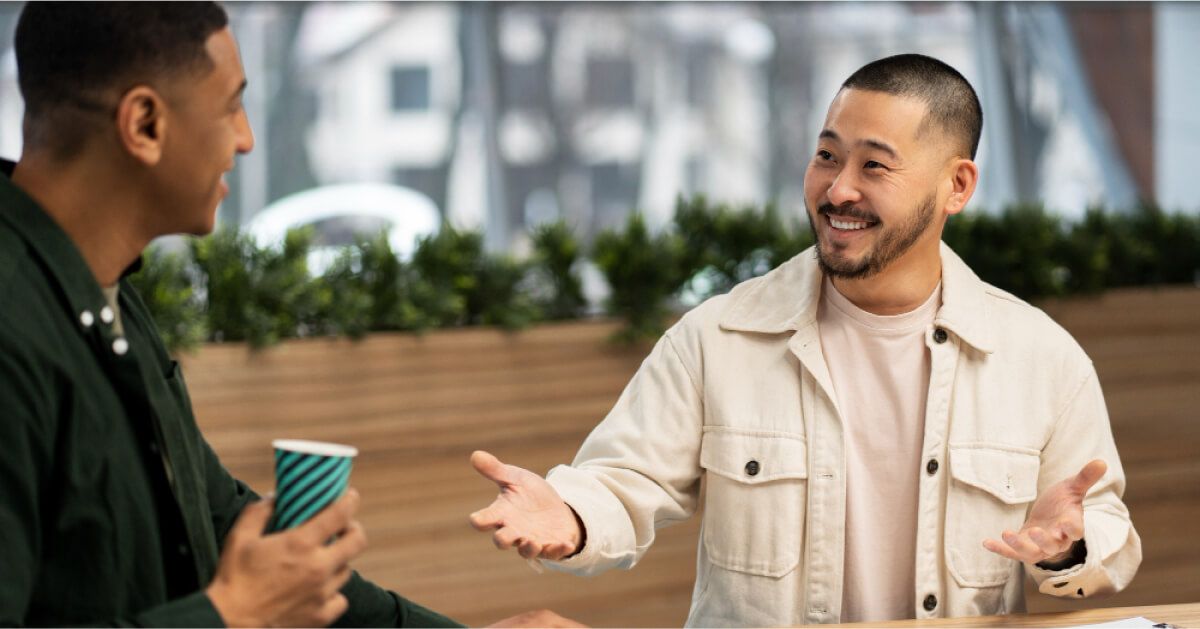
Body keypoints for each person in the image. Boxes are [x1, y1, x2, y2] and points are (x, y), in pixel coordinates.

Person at [469, 53, 1142, 626]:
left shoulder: (1041, 357)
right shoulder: (718, 336)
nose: (837, 188)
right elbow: (622, 482)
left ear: (955, 185)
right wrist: (570, 514)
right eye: (826, 155)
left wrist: (1069, 545)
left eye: (874, 166)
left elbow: (1102, 527)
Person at [0, 3, 581, 627]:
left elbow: (215, 519)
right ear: (144, 123)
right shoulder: (14, 319)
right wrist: (230, 615)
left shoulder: (107, 294)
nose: (246, 138)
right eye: (229, 106)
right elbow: (238, 598)